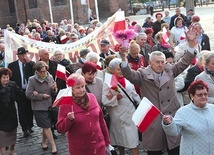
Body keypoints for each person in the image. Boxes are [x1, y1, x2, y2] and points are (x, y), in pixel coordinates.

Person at [119, 25, 199, 155]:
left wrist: (190, 44)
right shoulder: (143, 74)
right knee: (154, 151)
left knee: (175, 149)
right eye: (157, 62)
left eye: (162, 62)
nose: (160, 64)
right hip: (153, 119)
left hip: (171, 116)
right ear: (150, 63)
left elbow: (184, 63)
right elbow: (129, 75)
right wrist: (123, 58)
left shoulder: (170, 70)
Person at [56, 73, 110, 155]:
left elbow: (101, 121)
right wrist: (68, 119)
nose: (81, 90)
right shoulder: (66, 104)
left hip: (99, 144)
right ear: (71, 89)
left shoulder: (92, 97)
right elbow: (61, 128)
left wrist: (107, 141)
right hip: (81, 148)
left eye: (83, 86)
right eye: (78, 88)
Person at [162, 80, 214, 155]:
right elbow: (174, 132)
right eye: (199, 95)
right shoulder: (183, 112)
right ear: (192, 96)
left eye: (205, 94)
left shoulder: (212, 108)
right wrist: (169, 123)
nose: (203, 97)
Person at [102, 58, 141, 155]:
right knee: (120, 140)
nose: (121, 71)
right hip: (118, 116)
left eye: (122, 69)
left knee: (134, 142)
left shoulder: (127, 79)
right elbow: (104, 101)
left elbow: (134, 94)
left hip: (130, 115)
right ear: (112, 70)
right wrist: (115, 99)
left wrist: (140, 104)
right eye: (118, 69)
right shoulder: (108, 82)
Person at [25, 61, 57, 154]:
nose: (43, 73)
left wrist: (54, 89)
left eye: (44, 71)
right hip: (39, 108)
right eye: (41, 72)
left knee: (46, 125)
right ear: (37, 71)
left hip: (49, 106)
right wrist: (41, 96)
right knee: (47, 126)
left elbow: (53, 92)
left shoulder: (50, 77)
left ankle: (43, 142)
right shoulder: (32, 79)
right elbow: (28, 94)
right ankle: (53, 145)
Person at [8, 47, 35, 137]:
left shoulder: (30, 64)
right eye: (22, 55)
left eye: (25, 54)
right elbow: (10, 79)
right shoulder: (12, 65)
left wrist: (29, 62)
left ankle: (30, 125)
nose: (24, 57)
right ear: (18, 56)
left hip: (29, 90)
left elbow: (35, 70)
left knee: (29, 109)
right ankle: (25, 128)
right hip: (19, 90)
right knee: (22, 109)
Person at [0, 68, 24, 155]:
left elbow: (21, 94)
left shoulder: (12, 85)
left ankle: (12, 149)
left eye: (7, 77)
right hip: (1, 115)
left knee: (12, 133)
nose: (6, 79)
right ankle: (3, 153)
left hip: (11, 114)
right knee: (2, 135)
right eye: (3, 77)